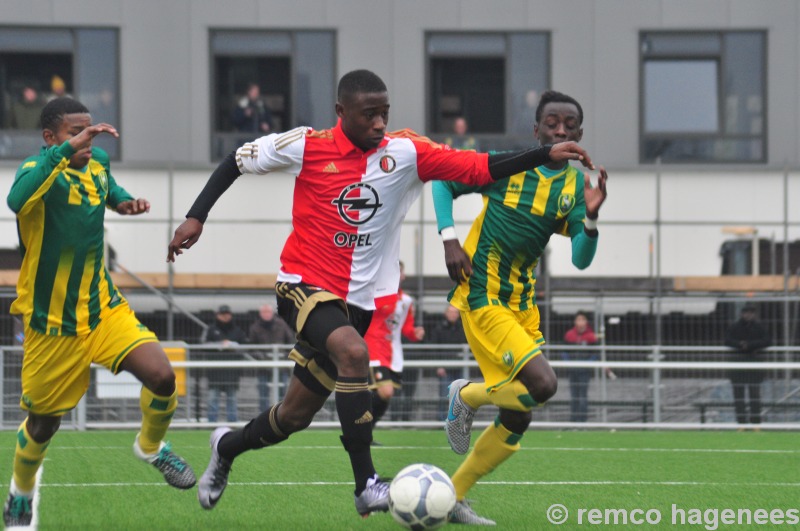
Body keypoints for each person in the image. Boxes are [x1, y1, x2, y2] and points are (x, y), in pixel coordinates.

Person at [166, 69, 593, 517]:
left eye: (384, 114)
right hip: (302, 284)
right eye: (368, 114)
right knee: (353, 354)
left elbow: (477, 166)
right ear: (340, 112)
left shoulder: (406, 151)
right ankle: (366, 483)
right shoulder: (307, 144)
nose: (378, 124)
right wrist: (197, 216)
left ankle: (227, 447)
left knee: (293, 416)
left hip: (358, 302)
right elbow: (236, 159)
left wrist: (543, 153)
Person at [3, 97, 196, 527]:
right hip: (52, 323)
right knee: (42, 426)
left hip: (103, 308)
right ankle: (20, 492)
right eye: (77, 133)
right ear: (50, 138)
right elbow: (16, 201)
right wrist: (66, 152)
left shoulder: (97, 163)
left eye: (91, 130)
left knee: (163, 376)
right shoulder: (37, 173)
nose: (88, 140)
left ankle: (150, 446)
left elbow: (107, 189)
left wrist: (125, 203)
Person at [433, 90, 608, 525]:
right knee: (544, 385)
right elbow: (443, 181)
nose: (561, 129)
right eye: (552, 122)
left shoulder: (573, 187)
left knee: (519, 414)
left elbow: (581, 259)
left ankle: (451, 497)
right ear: (537, 130)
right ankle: (468, 394)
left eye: (569, 123)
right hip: (482, 293)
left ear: (580, 133)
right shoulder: (509, 165)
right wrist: (449, 240)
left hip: (522, 306)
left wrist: (590, 218)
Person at [364, 261, 424, 433]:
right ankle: (360, 430)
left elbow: (406, 327)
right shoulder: (374, 293)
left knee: (384, 395)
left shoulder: (406, 301)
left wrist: (414, 333)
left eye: (401, 273)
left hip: (393, 354)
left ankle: (366, 432)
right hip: (373, 349)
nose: (400, 276)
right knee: (385, 391)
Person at [200, 304, 248, 422]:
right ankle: (211, 424)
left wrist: (232, 345)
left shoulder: (238, 330)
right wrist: (220, 345)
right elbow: (202, 345)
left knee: (232, 399)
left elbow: (245, 346)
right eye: (222, 314)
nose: (225, 317)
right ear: (218, 315)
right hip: (214, 372)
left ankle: (233, 424)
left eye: (227, 314)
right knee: (212, 399)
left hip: (232, 372)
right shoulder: (210, 329)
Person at [724, 304, 771, 425]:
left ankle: (755, 422)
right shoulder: (735, 327)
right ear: (742, 313)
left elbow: (767, 341)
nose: (748, 315)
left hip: (753, 365)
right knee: (739, 395)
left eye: (750, 312)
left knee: (754, 395)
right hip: (739, 365)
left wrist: (748, 345)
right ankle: (741, 422)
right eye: (746, 312)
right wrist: (742, 344)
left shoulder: (759, 327)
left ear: (754, 314)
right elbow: (727, 340)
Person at [248, 303, 295, 411]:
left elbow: (290, 342)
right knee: (263, 391)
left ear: (272, 313)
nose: (266, 314)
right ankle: (264, 415)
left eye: (268, 312)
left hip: (281, 366)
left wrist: (285, 356)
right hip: (263, 367)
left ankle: (282, 414)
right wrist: (261, 357)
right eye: (264, 312)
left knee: (283, 391)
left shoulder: (282, 325)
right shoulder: (255, 328)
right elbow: (251, 347)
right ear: (260, 314)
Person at [427, 304, 468, 419]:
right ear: (446, 314)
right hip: (444, 368)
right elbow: (434, 349)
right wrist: (438, 366)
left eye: (455, 312)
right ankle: (442, 419)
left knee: (460, 396)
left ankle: (458, 419)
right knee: (444, 395)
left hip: (459, 367)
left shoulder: (462, 328)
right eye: (451, 312)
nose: (453, 315)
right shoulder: (438, 328)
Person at [562, 310, 598, 422]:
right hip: (572, 371)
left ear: (586, 322)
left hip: (584, 372)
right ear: (575, 321)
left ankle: (583, 421)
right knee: (574, 396)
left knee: (583, 396)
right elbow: (564, 352)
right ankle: (573, 420)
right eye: (578, 319)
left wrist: (587, 364)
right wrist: (568, 363)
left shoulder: (591, 336)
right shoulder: (569, 335)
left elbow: (595, 354)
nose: (580, 322)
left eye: (583, 319)